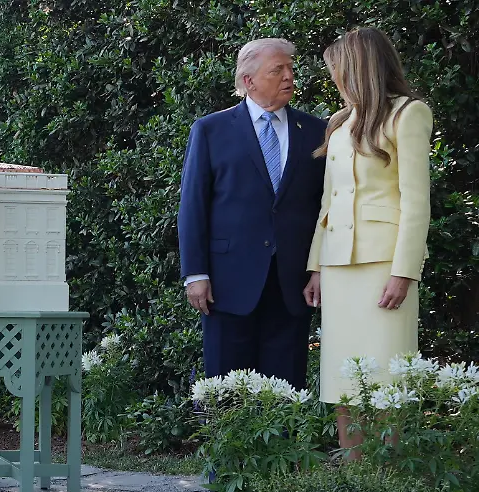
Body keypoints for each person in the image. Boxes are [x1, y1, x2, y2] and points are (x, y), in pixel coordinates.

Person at [303, 27, 432, 452]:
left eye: (338, 69)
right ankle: (355, 479)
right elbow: (328, 203)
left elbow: (416, 201)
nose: (335, 78)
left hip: (384, 265)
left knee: (386, 383)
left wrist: (404, 272)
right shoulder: (339, 123)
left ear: (359, 68)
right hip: (339, 269)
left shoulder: (408, 113)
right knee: (342, 380)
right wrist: (315, 267)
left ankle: (387, 486)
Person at [178, 38, 328, 393]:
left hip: (292, 282)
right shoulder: (211, 130)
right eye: (278, 70)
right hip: (227, 282)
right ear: (248, 81)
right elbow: (193, 206)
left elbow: (326, 206)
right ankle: (228, 450)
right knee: (226, 386)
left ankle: (282, 450)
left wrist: (318, 267)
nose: (290, 76)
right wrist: (195, 273)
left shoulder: (317, 131)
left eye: (291, 68)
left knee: (286, 384)